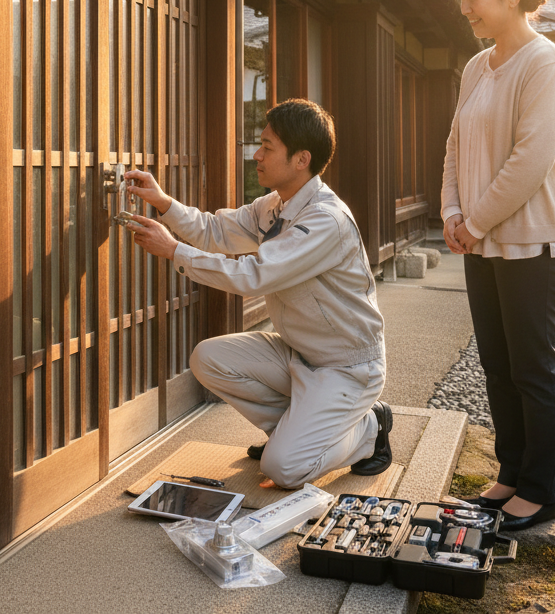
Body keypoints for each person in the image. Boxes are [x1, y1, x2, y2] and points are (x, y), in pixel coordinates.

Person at [124, 98, 392, 490]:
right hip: (299, 354)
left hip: (346, 367)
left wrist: (173, 251)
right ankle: (294, 430)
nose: (257, 155)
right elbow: (216, 231)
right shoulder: (275, 205)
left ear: (301, 160)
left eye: (267, 147)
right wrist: (163, 203)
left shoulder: (324, 220)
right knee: (208, 359)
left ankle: (369, 430)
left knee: (283, 470)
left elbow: (254, 275)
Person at [441, 0, 555, 531]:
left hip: (529, 243)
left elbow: (530, 161)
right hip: (481, 240)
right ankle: (509, 472)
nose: (466, 8)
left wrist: (473, 221)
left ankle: (541, 491)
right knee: (496, 363)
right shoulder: (476, 65)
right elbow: (456, 144)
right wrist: (450, 212)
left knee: (531, 367)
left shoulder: (544, 62)